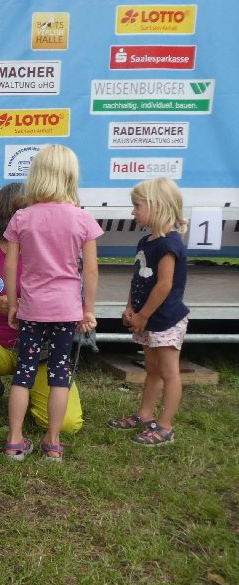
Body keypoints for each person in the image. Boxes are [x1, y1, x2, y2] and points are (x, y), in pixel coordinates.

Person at [0, 183, 83, 431]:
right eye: (28, 211)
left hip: (42, 352)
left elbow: (74, 304)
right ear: (6, 216)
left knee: (66, 425)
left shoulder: (54, 250)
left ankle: (29, 392)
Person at [3, 144, 102, 462]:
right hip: (67, 309)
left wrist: (13, 304)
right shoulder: (82, 218)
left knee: (24, 372)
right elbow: (91, 270)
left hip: (32, 308)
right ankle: (53, 443)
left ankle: (14, 440)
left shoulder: (22, 217)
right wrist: (89, 309)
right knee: (60, 373)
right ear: (71, 176)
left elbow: (10, 266)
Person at [108, 178, 189, 446]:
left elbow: (164, 285)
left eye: (137, 206)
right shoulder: (145, 241)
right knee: (152, 369)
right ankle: (145, 415)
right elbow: (139, 279)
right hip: (148, 318)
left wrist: (143, 315)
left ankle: (165, 427)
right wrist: (131, 308)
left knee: (168, 372)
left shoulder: (169, 244)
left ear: (157, 206)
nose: (133, 212)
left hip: (166, 320)